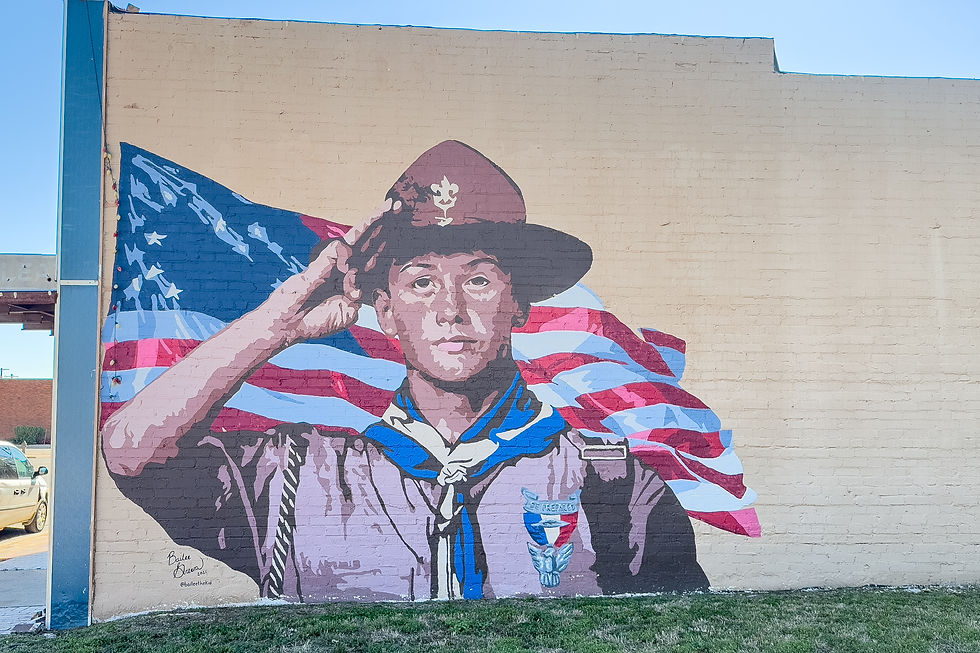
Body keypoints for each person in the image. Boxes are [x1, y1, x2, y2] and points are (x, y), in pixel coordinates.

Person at [102, 140, 708, 601]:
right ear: (385, 310)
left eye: (478, 278)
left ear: (517, 303)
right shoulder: (294, 478)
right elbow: (131, 452)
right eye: (420, 282)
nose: (450, 310)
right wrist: (278, 323)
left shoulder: (610, 483)